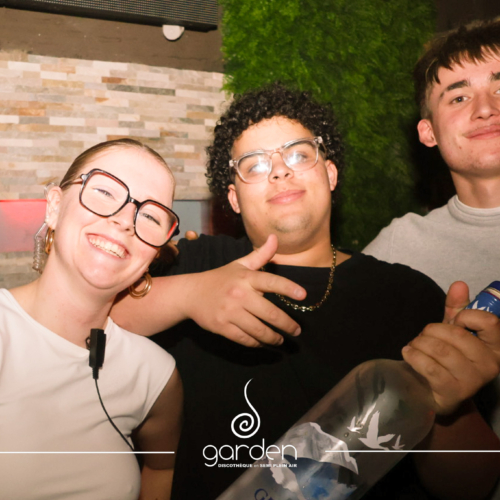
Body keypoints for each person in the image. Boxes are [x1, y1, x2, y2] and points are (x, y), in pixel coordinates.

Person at [112, 84, 500, 500]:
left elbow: (471, 488)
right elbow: (91, 318)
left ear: (330, 175)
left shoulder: (407, 296)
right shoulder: (196, 262)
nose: (280, 171)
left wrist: (452, 407)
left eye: (298, 155)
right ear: (234, 199)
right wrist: (189, 294)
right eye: (255, 165)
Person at [0, 138, 183, 500]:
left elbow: (161, 467)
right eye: (104, 191)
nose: (124, 221)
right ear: (55, 207)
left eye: (150, 216)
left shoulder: (156, 376)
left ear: (155, 252)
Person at [363, 18, 500, 497]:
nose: (486, 108)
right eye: (458, 97)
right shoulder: (397, 251)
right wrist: (448, 402)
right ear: (428, 132)